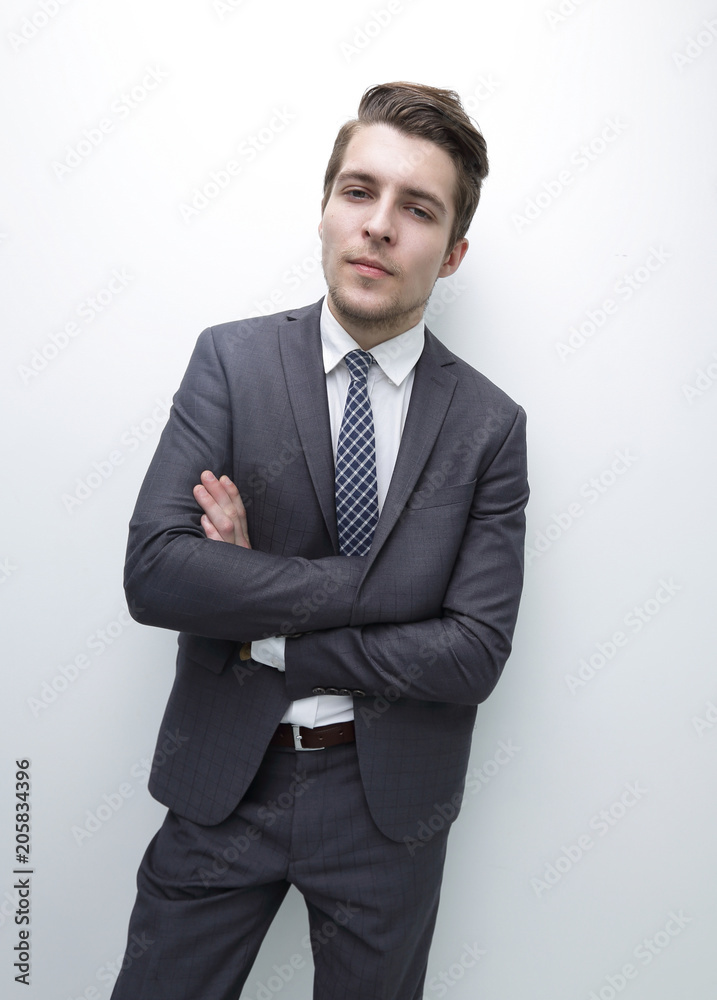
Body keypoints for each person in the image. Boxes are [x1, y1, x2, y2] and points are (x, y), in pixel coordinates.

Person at [111, 81, 529, 1000]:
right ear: (326, 209)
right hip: (224, 783)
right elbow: (155, 573)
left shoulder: (489, 427)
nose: (378, 225)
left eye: (417, 209)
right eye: (358, 191)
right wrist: (386, 592)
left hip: (388, 811)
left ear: (452, 253)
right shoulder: (231, 362)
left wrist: (258, 611)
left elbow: (471, 654)